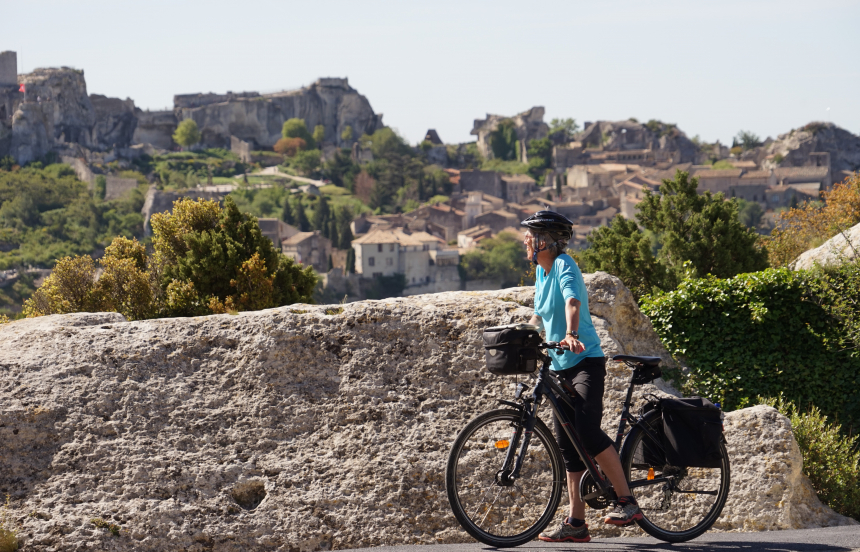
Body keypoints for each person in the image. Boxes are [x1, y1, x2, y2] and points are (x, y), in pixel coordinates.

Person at [520, 210, 642, 543]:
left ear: (545, 240)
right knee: (568, 447)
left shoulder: (563, 265)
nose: (525, 240)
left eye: (530, 235)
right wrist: (523, 335)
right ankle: (576, 523)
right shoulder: (542, 273)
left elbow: (572, 300)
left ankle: (627, 501)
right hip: (559, 366)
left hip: (584, 360)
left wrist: (572, 333)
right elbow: (538, 314)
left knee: (587, 432)